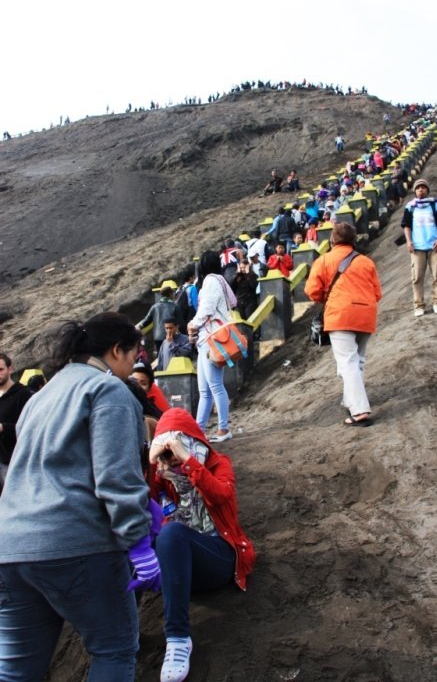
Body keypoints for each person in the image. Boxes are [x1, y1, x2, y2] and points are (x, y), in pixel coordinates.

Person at [0, 312, 161, 682]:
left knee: (15, 670)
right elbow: (117, 477)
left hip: (10, 549)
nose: (134, 364)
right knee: (115, 649)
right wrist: (138, 544)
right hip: (75, 543)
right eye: (134, 355)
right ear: (116, 350)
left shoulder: (40, 397)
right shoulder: (108, 391)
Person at [149, 408, 256, 682]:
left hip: (218, 555)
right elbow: (140, 500)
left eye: (176, 447)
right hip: (182, 563)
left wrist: (188, 461)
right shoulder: (163, 475)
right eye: (167, 451)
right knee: (147, 539)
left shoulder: (218, 464)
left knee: (172, 533)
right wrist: (151, 465)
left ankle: (178, 638)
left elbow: (222, 495)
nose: (170, 459)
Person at [304, 223, 382, 426]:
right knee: (358, 361)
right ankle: (350, 399)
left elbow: (312, 290)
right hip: (366, 314)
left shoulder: (324, 260)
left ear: (332, 240)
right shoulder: (366, 262)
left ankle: (359, 411)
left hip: (340, 314)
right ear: (354, 239)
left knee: (347, 363)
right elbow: (377, 293)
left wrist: (329, 298)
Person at [187, 251, 237, 443]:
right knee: (206, 390)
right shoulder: (221, 280)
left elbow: (206, 309)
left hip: (211, 339)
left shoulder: (210, 281)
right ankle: (198, 431)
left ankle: (223, 429)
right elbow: (232, 302)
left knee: (213, 387)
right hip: (208, 339)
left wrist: (192, 323)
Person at [400, 179, 437, 316]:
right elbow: (406, 226)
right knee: (417, 277)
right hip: (417, 247)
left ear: (427, 190)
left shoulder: (435, 205)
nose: (421, 189)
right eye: (418, 187)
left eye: (423, 187)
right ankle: (419, 305)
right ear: (414, 191)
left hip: (434, 246)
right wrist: (409, 241)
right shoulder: (410, 206)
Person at [0, 352, 32, 493]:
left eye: (0, 369)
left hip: (14, 462)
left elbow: (31, 428)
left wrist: (3, 428)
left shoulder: (23, 394)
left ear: (10, 369)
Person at [137, 284, 184, 353]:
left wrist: (139, 327)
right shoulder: (175, 306)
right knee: (171, 355)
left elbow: (147, 320)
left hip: (158, 337)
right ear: (171, 294)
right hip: (171, 336)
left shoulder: (154, 307)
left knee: (160, 356)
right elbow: (181, 323)